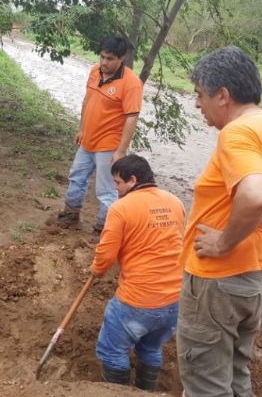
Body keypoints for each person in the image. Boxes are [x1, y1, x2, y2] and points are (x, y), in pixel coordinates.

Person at [177, 46, 262, 396]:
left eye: (200, 95)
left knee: (206, 385)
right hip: (255, 278)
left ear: (223, 95)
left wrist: (222, 242)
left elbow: (258, 194)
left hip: (219, 282)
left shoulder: (237, 133)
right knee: (235, 376)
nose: (198, 104)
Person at [91, 155, 185, 391]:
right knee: (151, 349)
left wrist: (97, 270)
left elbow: (105, 255)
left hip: (138, 300)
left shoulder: (121, 208)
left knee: (112, 351)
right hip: (175, 299)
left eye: (117, 183)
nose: (115, 188)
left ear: (132, 180)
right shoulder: (175, 202)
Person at [56, 36, 143, 233]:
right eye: (102, 57)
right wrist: (82, 129)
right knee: (76, 177)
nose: (104, 62)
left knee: (106, 190)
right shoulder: (94, 71)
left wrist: (120, 151)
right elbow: (87, 100)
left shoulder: (131, 83)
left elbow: (131, 118)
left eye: (110, 59)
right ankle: (70, 215)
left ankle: (103, 229)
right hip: (88, 140)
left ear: (122, 59)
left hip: (109, 145)